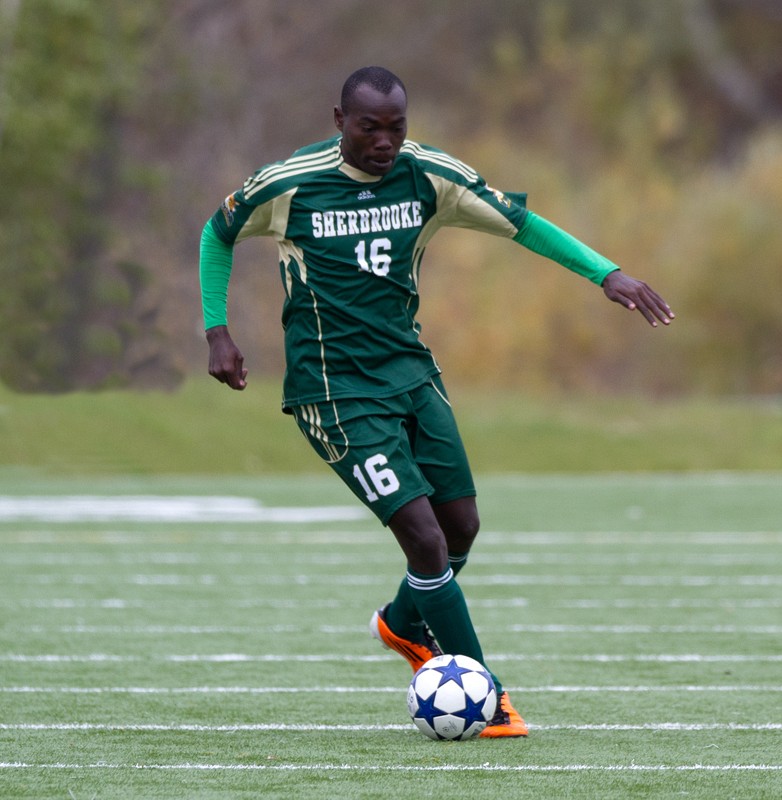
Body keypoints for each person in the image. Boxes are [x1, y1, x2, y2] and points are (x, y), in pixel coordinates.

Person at [199, 66, 674, 738]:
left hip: (410, 373)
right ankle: (487, 694)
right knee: (424, 540)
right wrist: (217, 329)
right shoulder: (287, 184)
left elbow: (523, 225)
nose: (386, 141)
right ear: (339, 119)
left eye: (396, 127)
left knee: (461, 528)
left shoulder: (428, 175)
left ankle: (401, 621)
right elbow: (217, 233)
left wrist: (607, 273)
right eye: (370, 128)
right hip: (334, 391)